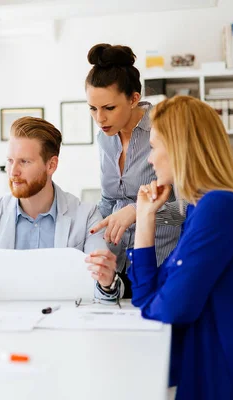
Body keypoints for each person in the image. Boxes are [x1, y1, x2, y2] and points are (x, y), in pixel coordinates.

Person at [129, 96, 233, 400]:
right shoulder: (201, 210)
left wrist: (159, 301)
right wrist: (145, 218)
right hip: (205, 370)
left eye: (155, 146)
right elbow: (147, 295)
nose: (149, 159)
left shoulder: (219, 208)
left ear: (178, 147)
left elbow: (172, 307)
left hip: (224, 379)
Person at [0, 117, 121, 303]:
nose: (13, 172)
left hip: (64, 326)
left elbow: (105, 291)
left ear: (51, 165)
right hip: (2, 326)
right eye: (10, 161)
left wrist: (107, 282)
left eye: (24, 162)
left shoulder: (86, 216)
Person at [85, 43, 184, 298]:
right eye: (92, 109)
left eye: (108, 108)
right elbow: (108, 200)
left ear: (133, 99)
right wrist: (89, 233)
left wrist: (139, 212)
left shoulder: (163, 130)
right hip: (117, 264)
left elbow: (187, 209)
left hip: (162, 261)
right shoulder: (104, 138)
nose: (100, 118)